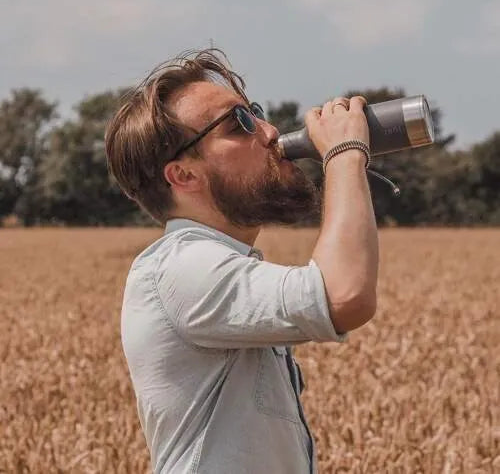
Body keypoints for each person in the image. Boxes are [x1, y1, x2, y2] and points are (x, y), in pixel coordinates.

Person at [105, 48, 378, 474]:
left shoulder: (218, 264)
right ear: (184, 175)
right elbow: (344, 295)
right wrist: (344, 151)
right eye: (240, 124)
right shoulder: (180, 267)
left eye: (256, 112)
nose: (270, 132)